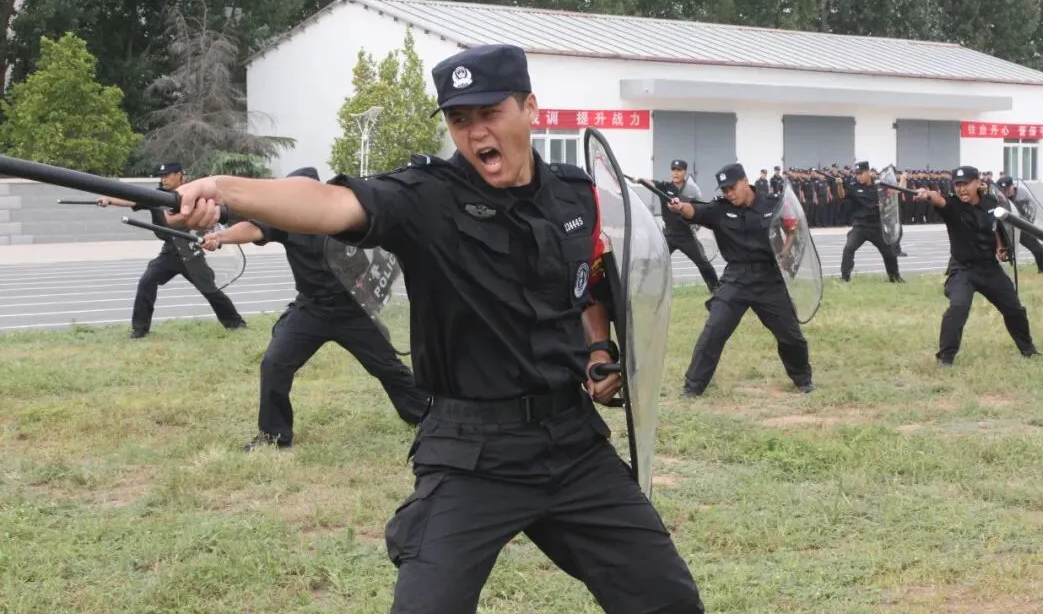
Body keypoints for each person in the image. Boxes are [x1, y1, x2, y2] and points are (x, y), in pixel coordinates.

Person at [165, 44, 704, 613]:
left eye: (490, 113)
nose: (476, 132)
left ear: (530, 109)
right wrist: (223, 189)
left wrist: (596, 349)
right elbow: (328, 202)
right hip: (471, 453)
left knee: (667, 600)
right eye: (460, 119)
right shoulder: (427, 197)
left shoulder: (575, 195)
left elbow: (588, 282)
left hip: (572, 442)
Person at [200, 166, 431, 450]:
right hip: (311, 309)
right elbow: (254, 227)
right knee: (275, 365)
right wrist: (220, 237)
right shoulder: (286, 218)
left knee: (388, 368)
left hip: (353, 310)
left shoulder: (341, 213)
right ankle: (274, 436)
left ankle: (425, 418)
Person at [668, 163, 814, 398]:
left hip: (769, 278)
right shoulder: (719, 209)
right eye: (724, 190)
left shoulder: (773, 203)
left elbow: (793, 228)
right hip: (736, 279)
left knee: (791, 336)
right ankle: (692, 387)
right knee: (713, 332)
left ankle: (803, 380)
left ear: (745, 181)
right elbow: (693, 210)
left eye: (732, 187)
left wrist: (785, 253)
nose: (729, 193)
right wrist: (679, 207)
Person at [97, 161, 246, 338]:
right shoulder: (156, 196)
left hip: (190, 251)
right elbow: (132, 199)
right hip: (170, 251)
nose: (163, 180)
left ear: (179, 175)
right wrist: (109, 200)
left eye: (167, 176)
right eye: (161, 177)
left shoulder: (194, 194)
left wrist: (215, 240)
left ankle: (236, 323)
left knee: (209, 289)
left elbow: (212, 219)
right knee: (147, 282)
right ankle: (140, 329)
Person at [913, 165, 1039, 366]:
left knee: (1014, 308)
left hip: (990, 268)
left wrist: (1000, 247)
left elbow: (996, 227)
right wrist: (927, 194)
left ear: (977, 183)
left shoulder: (991, 203)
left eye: (966, 184)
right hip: (963, 269)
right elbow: (938, 199)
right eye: (958, 185)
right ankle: (945, 358)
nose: (961, 189)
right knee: (958, 308)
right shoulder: (952, 205)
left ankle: (1028, 350)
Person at [639, 160, 720, 292]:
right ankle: (643, 289)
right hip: (669, 235)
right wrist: (639, 180)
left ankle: (716, 289)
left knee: (703, 263)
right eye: (673, 170)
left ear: (685, 172)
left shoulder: (691, 190)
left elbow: (699, 209)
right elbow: (651, 183)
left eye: (679, 170)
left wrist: (697, 224)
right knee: (655, 262)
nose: (675, 173)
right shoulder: (664, 187)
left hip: (686, 235)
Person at [839, 161, 904, 283]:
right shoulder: (854, 187)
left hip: (876, 226)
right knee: (849, 248)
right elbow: (842, 195)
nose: (858, 176)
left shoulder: (879, 185)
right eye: (857, 174)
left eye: (861, 173)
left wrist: (902, 180)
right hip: (860, 226)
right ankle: (844, 277)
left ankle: (895, 277)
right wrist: (839, 184)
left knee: (889, 252)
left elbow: (894, 194)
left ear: (868, 172)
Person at [995, 176, 1043, 275]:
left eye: (1007, 189)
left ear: (1013, 186)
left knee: (1039, 250)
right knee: (1000, 252)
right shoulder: (998, 199)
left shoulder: (1021, 195)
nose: (1005, 192)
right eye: (1003, 190)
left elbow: (1031, 209)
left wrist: (1029, 222)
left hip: (1021, 226)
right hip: (1006, 229)